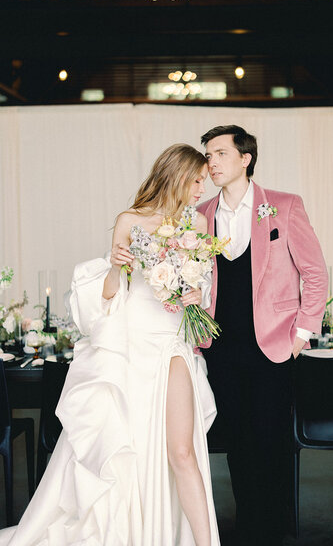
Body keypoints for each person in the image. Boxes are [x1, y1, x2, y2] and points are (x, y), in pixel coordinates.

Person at [0, 144, 220, 546]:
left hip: (171, 345)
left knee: (182, 452)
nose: (203, 186)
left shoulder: (200, 226)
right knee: (125, 451)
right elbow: (109, 295)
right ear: (177, 176)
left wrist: (194, 294)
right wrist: (117, 266)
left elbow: (201, 286)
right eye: (197, 179)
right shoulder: (129, 220)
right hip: (129, 348)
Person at [197, 125, 328, 546]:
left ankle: (274, 528)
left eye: (219, 153)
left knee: (270, 438)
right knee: (237, 440)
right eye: (208, 155)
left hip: (273, 346)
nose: (211, 162)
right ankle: (251, 526)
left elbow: (315, 273)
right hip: (220, 348)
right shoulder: (198, 215)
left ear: (245, 158)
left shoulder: (284, 207)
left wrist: (302, 333)